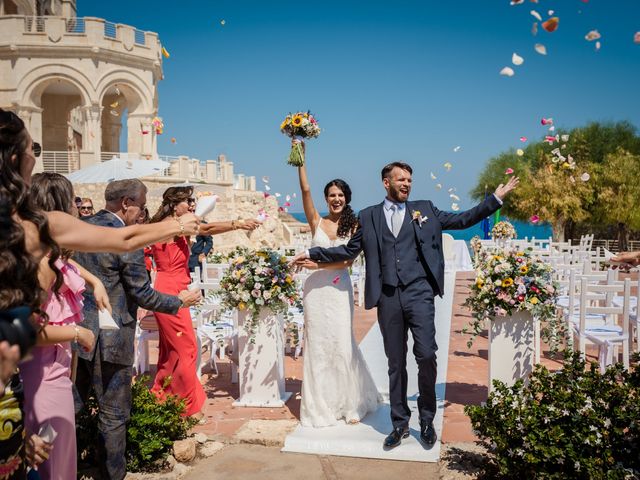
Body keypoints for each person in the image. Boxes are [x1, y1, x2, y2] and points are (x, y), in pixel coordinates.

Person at [292, 162, 518, 449]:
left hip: (419, 294)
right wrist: (312, 252)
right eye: (401, 179)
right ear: (386, 183)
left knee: (426, 355)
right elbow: (348, 250)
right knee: (396, 362)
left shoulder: (425, 209)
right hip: (388, 298)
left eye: (410, 179)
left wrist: (493, 200)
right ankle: (400, 424)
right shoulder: (369, 216)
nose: (407, 184)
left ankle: (426, 419)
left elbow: (461, 220)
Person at [72, 179, 201, 480]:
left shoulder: (81, 228)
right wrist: (178, 301)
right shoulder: (124, 238)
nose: (143, 215)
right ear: (127, 203)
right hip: (113, 337)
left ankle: (70, 468)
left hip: (78, 333)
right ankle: (111, 475)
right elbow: (142, 292)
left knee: (74, 406)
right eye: (141, 207)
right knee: (114, 415)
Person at [21, 173, 110, 480]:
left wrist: (95, 281)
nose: (77, 208)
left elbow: (70, 266)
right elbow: (29, 332)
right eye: (71, 201)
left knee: (60, 462)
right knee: (52, 467)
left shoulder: (50, 257)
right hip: (43, 382)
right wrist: (77, 333)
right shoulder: (43, 268)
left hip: (57, 377)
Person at [148, 187, 259, 420]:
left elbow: (204, 227)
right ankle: (188, 405)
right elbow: (206, 228)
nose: (190, 205)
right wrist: (237, 224)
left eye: (191, 201)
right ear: (173, 203)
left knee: (172, 351)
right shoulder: (170, 225)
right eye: (186, 201)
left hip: (176, 286)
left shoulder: (175, 223)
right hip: (170, 290)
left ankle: (163, 397)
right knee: (186, 347)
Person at [294, 145, 380, 427]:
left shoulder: (354, 225)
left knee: (342, 345)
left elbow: (346, 261)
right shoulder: (316, 221)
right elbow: (305, 191)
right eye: (331, 195)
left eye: (340, 195)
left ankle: (350, 404)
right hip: (314, 293)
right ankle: (321, 406)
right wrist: (301, 159)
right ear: (326, 199)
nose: (336, 199)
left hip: (338, 288)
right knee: (318, 347)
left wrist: (315, 264)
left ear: (347, 198)